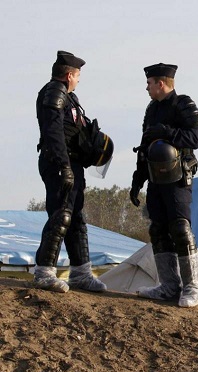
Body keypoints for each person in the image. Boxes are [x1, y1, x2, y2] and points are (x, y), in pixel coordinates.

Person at [34, 51, 114, 293]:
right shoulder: (54, 92)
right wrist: (63, 166)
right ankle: (44, 272)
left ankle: (81, 273)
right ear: (69, 75)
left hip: (73, 163)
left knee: (76, 218)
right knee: (61, 215)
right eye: (78, 76)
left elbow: (76, 130)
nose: (78, 80)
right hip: (59, 163)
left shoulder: (71, 98)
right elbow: (53, 132)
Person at [130, 63, 198, 308]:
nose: (147, 88)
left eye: (150, 83)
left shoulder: (183, 104)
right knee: (158, 230)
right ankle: (169, 286)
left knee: (180, 229)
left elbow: (196, 138)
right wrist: (137, 180)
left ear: (160, 83)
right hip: (155, 179)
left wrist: (168, 132)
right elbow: (145, 147)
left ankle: (193, 287)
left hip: (178, 179)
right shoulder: (151, 109)